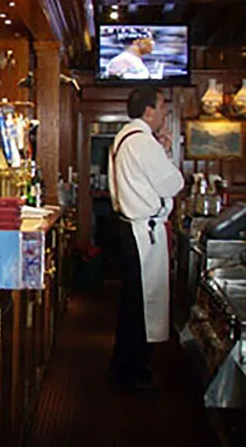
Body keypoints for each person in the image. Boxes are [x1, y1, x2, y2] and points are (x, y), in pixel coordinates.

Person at [108, 87, 184, 391]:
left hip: (130, 226)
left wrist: (161, 149)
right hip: (144, 232)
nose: (165, 112)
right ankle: (133, 370)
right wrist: (165, 152)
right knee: (143, 302)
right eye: (162, 106)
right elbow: (173, 184)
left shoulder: (123, 138)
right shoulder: (143, 142)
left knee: (132, 300)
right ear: (149, 111)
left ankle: (124, 365)